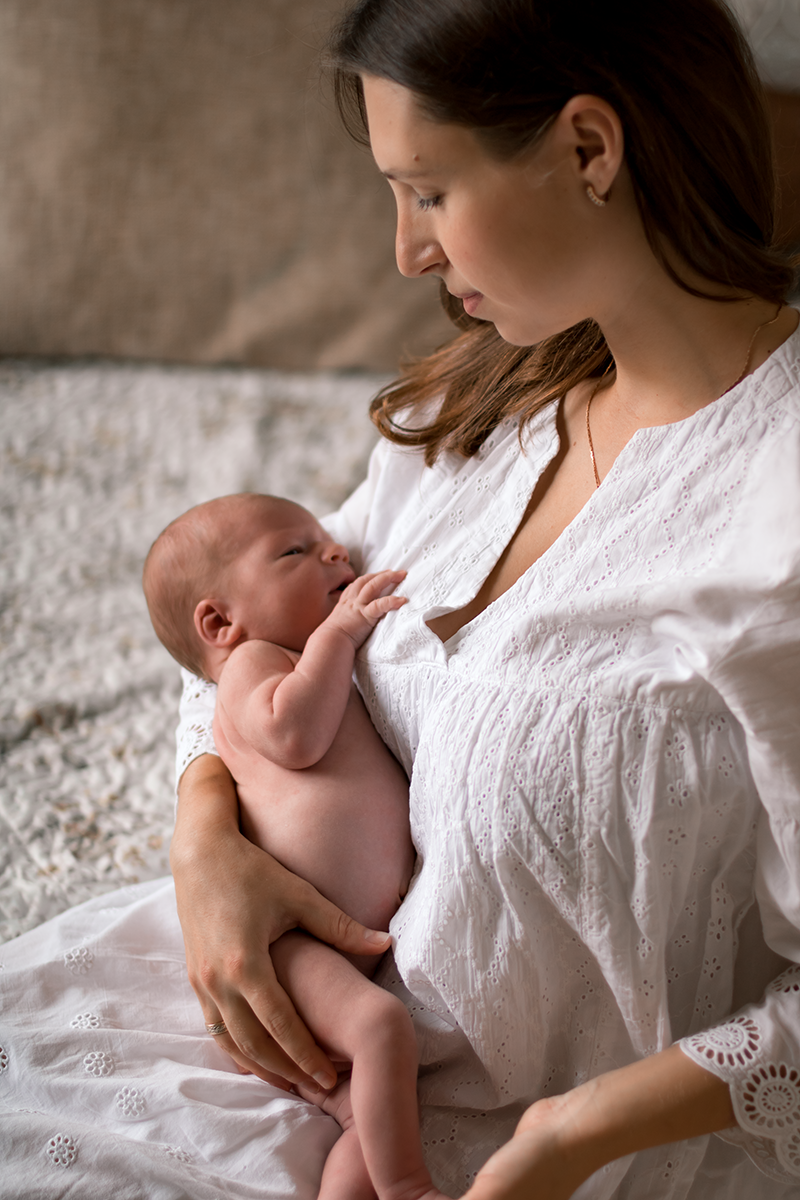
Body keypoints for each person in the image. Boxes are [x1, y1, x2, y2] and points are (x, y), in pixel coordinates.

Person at [169, 1, 800, 1197]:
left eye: (427, 192)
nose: (404, 252)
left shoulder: (775, 517)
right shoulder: (479, 408)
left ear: (587, 150)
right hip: (263, 1058)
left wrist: (576, 1133)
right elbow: (242, 636)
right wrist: (203, 844)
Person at [142, 491, 446, 1200]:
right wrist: (339, 633)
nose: (335, 550)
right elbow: (294, 736)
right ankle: (409, 1187)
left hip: (327, 950)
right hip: (283, 946)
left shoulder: (296, 658)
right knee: (382, 1029)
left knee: (371, 1104)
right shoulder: (252, 665)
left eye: (324, 541)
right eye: (295, 550)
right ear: (219, 623)